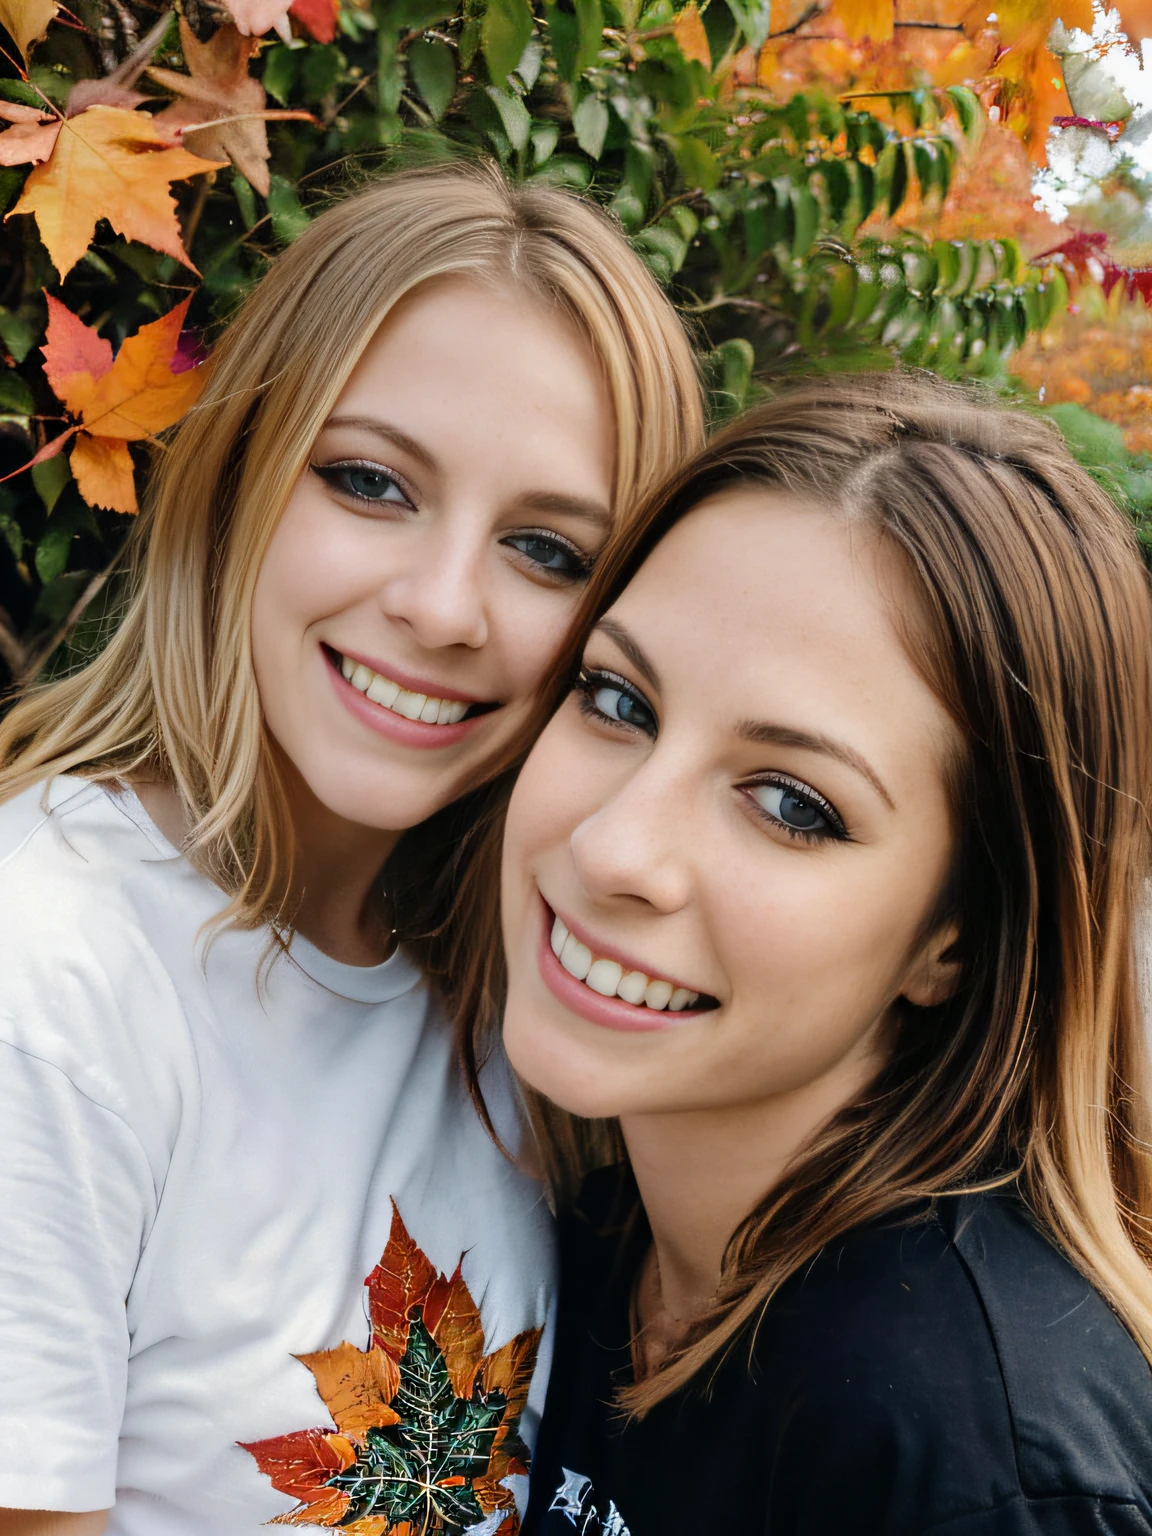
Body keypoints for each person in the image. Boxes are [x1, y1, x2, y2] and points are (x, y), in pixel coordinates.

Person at [0, 160, 703, 1536]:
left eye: (549, 552)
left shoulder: (532, 998)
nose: (445, 608)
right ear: (244, 472)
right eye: (372, 481)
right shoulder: (51, 971)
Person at [472, 373, 1152, 1534]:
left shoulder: (959, 1453)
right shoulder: (595, 1229)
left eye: (791, 803)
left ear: (955, 942)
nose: (612, 846)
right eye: (618, 700)